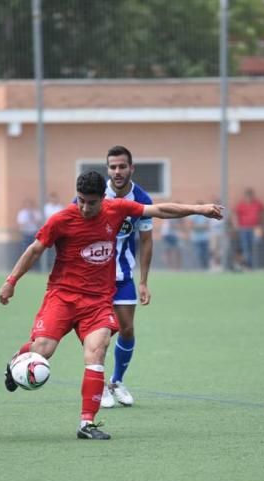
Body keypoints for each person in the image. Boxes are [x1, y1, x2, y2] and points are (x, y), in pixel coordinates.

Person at [0, 170, 222, 440]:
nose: (84, 207)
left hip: (98, 301)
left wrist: (199, 209)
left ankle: (87, 423)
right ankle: (15, 363)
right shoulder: (61, 219)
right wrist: (11, 281)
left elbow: (160, 209)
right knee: (42, 350)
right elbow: (34, 249)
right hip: (62, 297)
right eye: (80, 200)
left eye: (91, 202)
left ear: (102, 199)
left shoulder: (117, 209)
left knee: (97, 351)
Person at [99, 146, 155, 409]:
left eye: (122, 166)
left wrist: (143, 281)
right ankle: (97, 384)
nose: (117, 171)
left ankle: (116, 381)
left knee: (127, 330)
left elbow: (146, 240)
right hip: (94, 276)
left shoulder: (142, 199)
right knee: (101, 333)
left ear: (131, 168)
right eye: (113, 167)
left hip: (122, 276)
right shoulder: (94, 194)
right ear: (107, 169)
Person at [234, 188, 264, 270]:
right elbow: (236, 215)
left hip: (256, 229)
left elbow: (262, 214)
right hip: (244, 229)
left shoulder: (258, 204)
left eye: (250, 195)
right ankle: (249, 265)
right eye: (247, 196)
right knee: (246, 247)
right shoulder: (241, 205)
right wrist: (237, 225)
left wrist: (261, 225)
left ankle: (256, 264)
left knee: (256, 245)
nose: (249, 197)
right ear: (245, 196)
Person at [188, 203, 213, 270]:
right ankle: (198, 268)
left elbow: (207, 226)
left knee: (206, 254)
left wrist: (198, 227)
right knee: (198, 254)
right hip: (196, 239)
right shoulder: (193, 216)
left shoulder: (206, 215)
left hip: (205, 238)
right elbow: (191, 226)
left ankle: (205, 268)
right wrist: (201, 227)